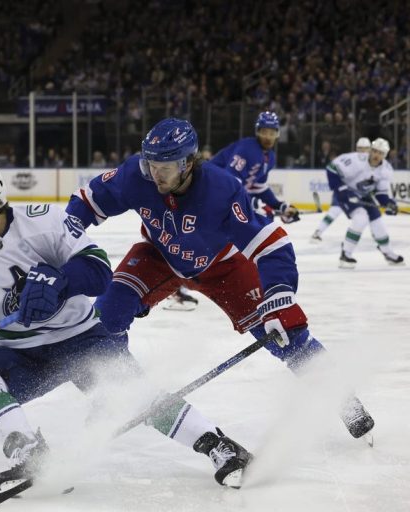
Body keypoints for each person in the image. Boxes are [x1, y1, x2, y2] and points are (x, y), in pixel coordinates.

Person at [0, 162, 253, 489]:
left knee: (130, 392)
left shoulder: (44, 221)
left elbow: (98, 270)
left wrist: (61, 281)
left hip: (81, 338)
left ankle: (218, 444)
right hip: (19, 353)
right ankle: (30, 454)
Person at [65, 118, 375, 442]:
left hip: (223, 266)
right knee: (104, 320)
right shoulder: (136, 174)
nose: (155, 174)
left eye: (165, 167)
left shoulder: (222, 190)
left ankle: (343, 398)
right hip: (159, 256)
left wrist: (279, 295)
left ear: (187, 163)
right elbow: (88, 200)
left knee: (288, 334)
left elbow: (271, 244)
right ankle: (114, 394)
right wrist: (60, 239)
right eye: (151, 164)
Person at [322, 138, 404, 268]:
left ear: (385, 155)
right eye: (375, 151)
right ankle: (346, 254)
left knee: (378, 223)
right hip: (347, 192)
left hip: (364, 195)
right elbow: (331, 168)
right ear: (371, 151)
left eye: (380, 153)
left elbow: (380, 193)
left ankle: (387, 252)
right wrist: (341, 189)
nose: (377, 155)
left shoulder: (386, 169)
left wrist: (388, 203)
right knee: (361, 218)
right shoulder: (356, 160)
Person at [210, 111, 300, 224]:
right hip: (210, 190)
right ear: (257, 132)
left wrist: (281, 207)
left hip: (224, 195)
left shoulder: (270, 157)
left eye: (272, 133)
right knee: (262, 217)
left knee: (265, 217)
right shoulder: (246, 149)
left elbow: (258, 188)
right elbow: (229, 184)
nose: (268, 137)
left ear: (277, 134)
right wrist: (253, 203)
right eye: (264, 132)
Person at [311, 137, 371, 242]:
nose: (363, 151)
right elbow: (332, 168)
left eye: (365, 148)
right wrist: (341, 187)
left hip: (356, 192)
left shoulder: (372, 163)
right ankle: (318, 232)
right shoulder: (350, 159)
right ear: (357, 148)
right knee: (335, 211)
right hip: (343, 190)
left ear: (370, 149)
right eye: (360, 148)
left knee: (363, 215)